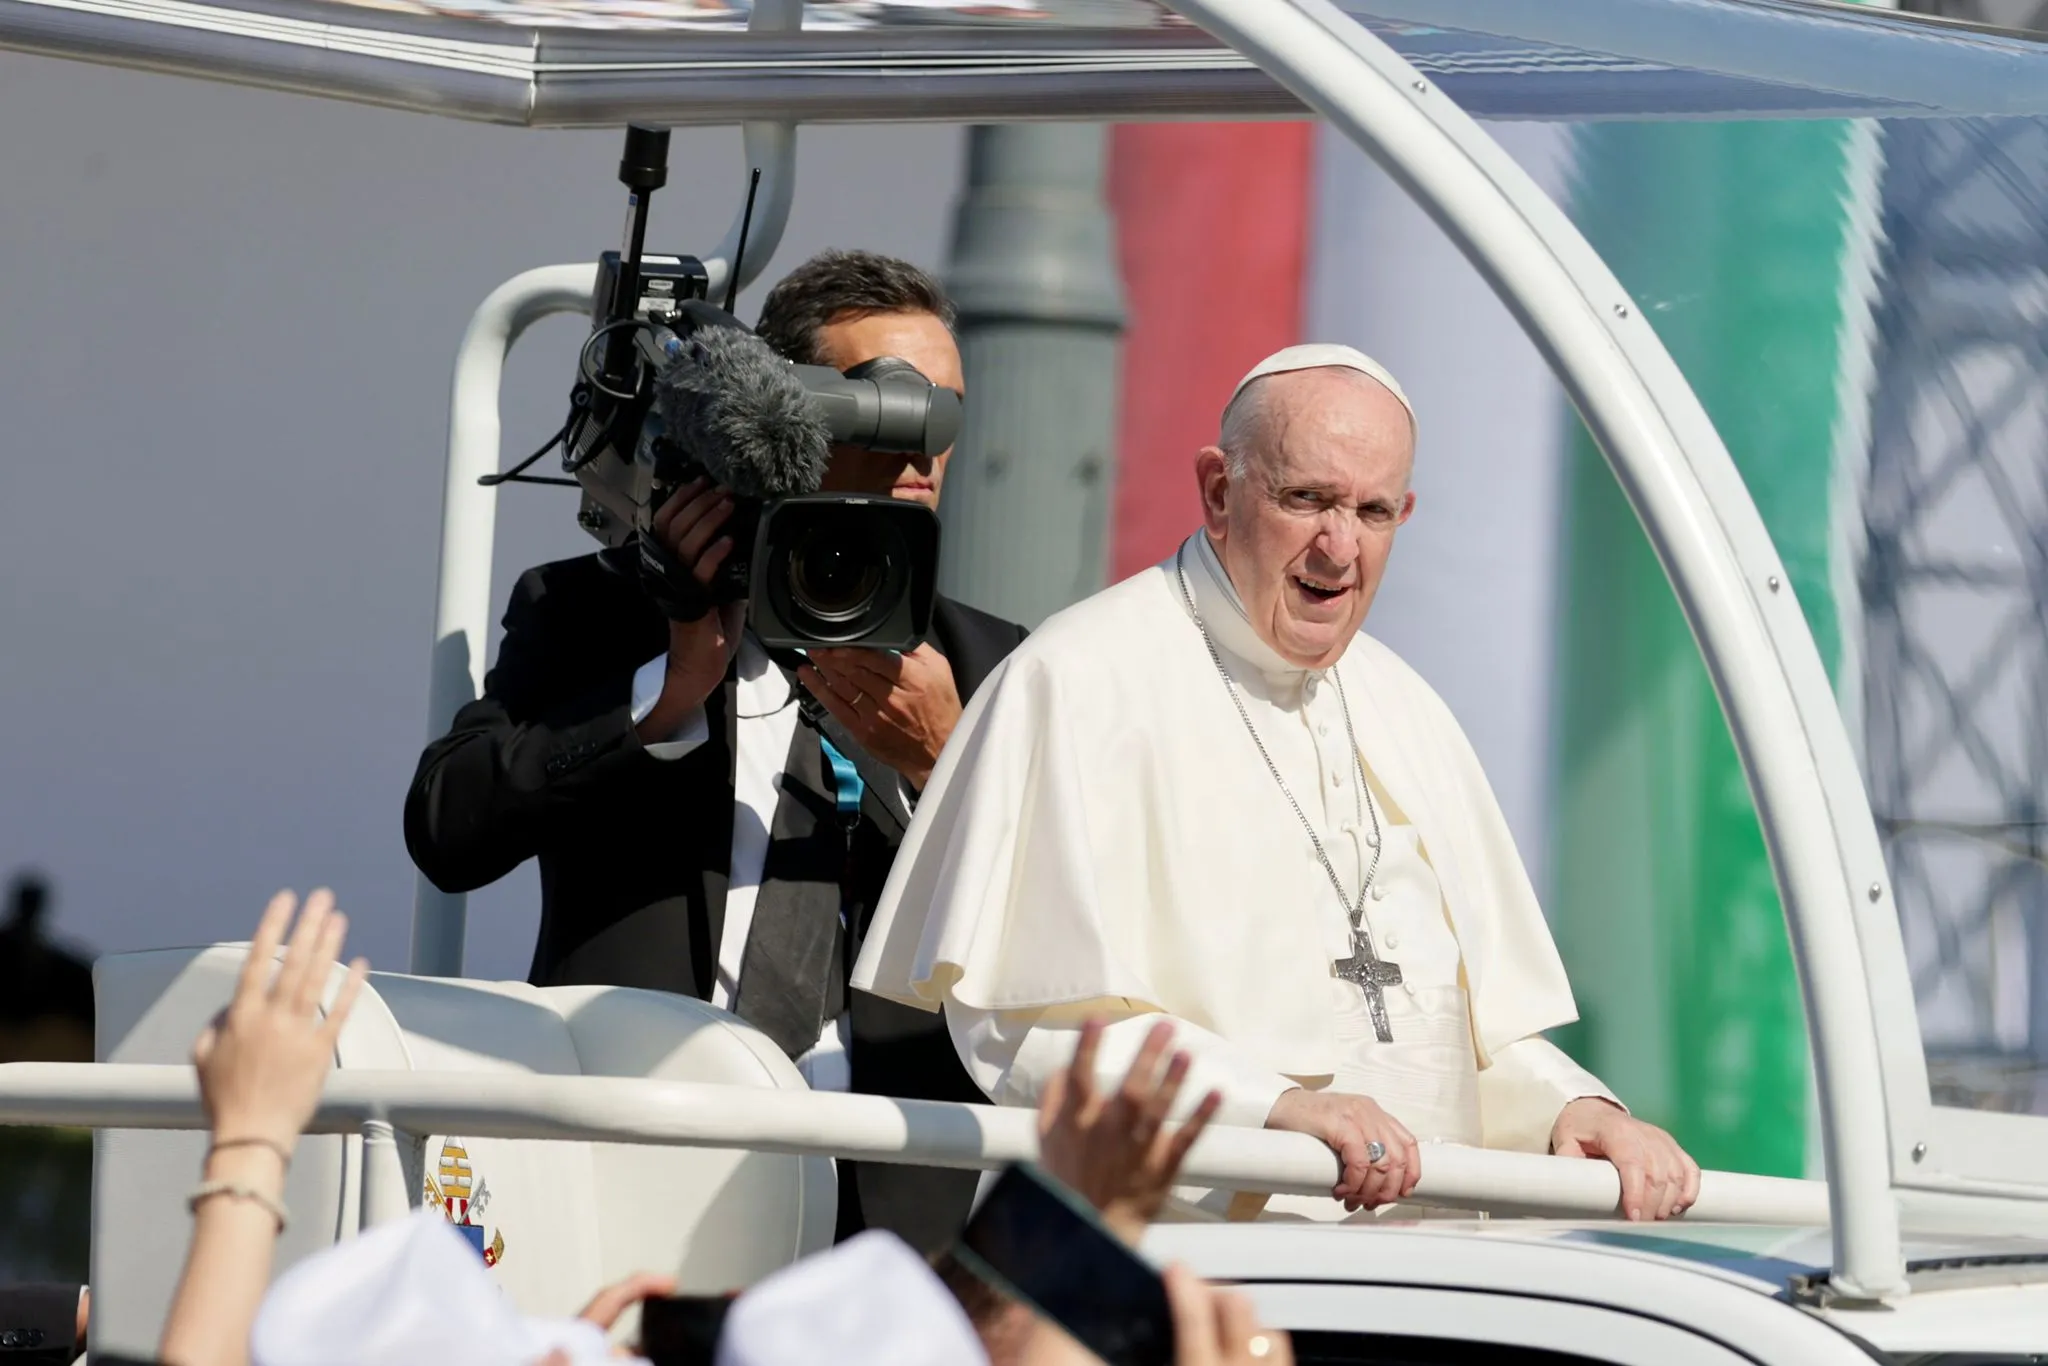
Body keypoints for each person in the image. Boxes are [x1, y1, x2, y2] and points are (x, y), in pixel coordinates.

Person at [852, 344, 1702, 1223]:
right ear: (1220, 491)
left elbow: (1459, 1038)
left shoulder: (1410, 710)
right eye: (1308, 500)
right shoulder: (1076, 680)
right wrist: (1271, 1110)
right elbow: (1029, 1023)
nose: (1340, 547)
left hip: (1431, 1283)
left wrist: (1578, 1109)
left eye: (1374, 512)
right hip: (1184, 1267)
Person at [405, 248, 1030, 1252]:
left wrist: (945, 761)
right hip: (632, 1173)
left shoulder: (996, 668)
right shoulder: (596, 615)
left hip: (885, 1218)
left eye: (944, 413)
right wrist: (661, 696)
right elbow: (447, 830)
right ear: (779, 421)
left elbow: (1078, 941)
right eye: (886, 404)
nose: (921, 448)